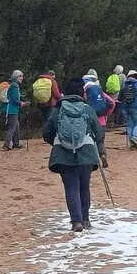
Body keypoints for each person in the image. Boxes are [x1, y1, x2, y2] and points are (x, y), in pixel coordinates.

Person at [44, 78, 105, 232]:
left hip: (63, 155)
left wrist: (59, 142)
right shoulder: (87, 109)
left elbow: (46, 133)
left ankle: (76, 222)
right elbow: (99, 132)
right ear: (82, 93)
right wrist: (98, 148)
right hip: (86, 153)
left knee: (71, 188)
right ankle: (85, 219)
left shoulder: (58, 109)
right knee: (84, 187)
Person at [82, 71, 111, 167]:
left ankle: (92, 160)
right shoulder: (99, 90)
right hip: (101, 120)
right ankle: (102, 155)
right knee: (100, 140)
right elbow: (112, 102)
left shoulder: (84, 92)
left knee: (88, 140)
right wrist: (106, 114)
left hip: (88, 120)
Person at [1, 70, 28, 151]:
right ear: (16, 77)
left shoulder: (12, 85)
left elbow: (11, 97)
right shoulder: (15, 86)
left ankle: (16, 143)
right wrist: (22, 103)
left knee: (16, 126)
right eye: (20, 76)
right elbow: (15, 99)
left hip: (10, 109)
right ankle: (6, 144)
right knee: (12, 127)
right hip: (12, 110)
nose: (22, 78)